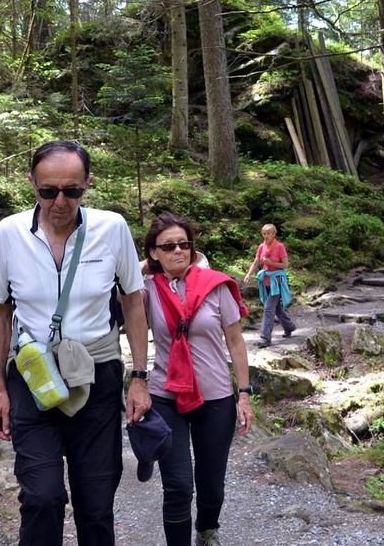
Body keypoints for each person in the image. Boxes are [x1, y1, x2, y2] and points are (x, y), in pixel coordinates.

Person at [0, 140, 152, 546]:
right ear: (32, 184)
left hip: (96, 377)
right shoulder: (9, 233)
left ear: (87, 184)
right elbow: (0, 312)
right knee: (42, 496)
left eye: (72, 191)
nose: (60, 201)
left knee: (95, 502)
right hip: (33, 376)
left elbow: (132, 303)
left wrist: (140, 377)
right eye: (48, 191)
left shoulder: (111, 229)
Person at [142, 213, 254, 546]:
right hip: (165, 395)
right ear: (154, 252)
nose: (178, 250)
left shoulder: (215, 285)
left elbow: (235, 342)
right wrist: (144, 267)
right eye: (169, 246)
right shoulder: (146, 290)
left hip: (215, 396)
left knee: (212, 485)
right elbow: (119, 294)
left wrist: (244, 394)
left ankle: (207, 531)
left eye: (185, 244)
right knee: (177, 485)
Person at [243, 223, 296, 348]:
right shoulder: (261, 247)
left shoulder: (279, 246)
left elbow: (285, 265)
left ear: (274, 234)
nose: (266, 236)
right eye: (264, 233)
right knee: (276, 308)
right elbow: (256, 262)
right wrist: (248, 274)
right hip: (265, 282)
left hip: (276, 282)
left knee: (268, 308)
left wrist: (271, 262)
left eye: (269, 233)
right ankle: (289, 327)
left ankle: (265, 338)